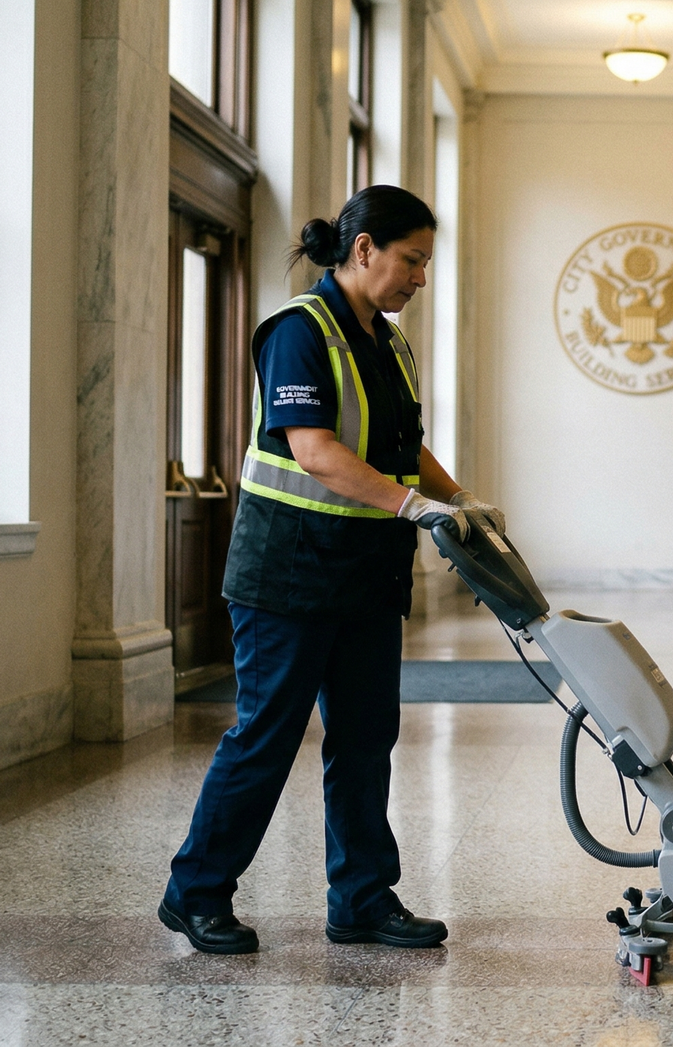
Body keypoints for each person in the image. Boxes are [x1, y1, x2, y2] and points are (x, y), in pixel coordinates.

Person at [159, 185, 501, 955]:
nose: (419, 277)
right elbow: (314, 449)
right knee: (267, 736)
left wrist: (458, 496)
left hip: (365, 576)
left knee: (365, 736)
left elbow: (399, 444)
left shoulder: (388, 340)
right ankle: (196, 891)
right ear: (364, 248)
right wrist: (416, 511)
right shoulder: (298, 331)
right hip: (288, 573)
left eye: (425, 263)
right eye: (411, 260)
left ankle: (362, 898)